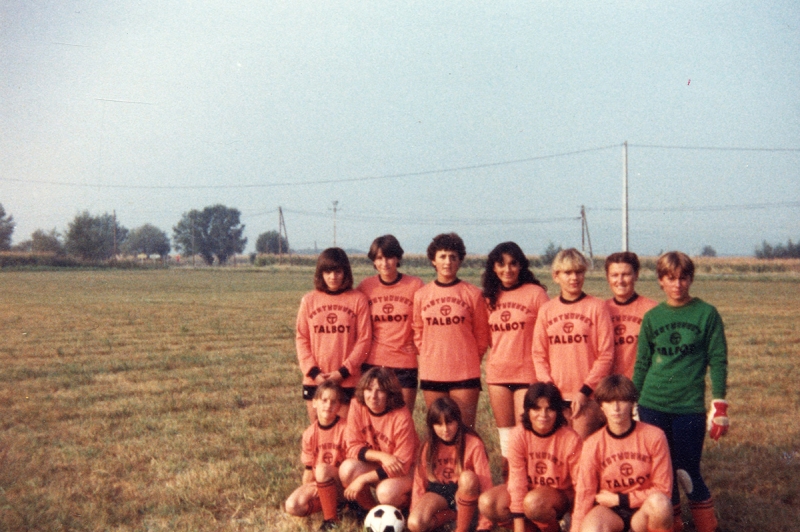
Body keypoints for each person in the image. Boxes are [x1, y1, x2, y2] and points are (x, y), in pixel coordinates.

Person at [633, 251, 729, 532]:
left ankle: (707, 526)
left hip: (688, 407)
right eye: (670, 278)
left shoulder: (706, 313)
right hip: (653, 404)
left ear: (691, 279)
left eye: (683, 278)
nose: (677, 284)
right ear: (661, 281)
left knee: (686, 471)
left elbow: (718, 360)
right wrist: (632, 400)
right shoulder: (653, 317)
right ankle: (672, 525)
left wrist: (720, 404)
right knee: (662, 474)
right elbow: (641, 364)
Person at [571, 374, 673, 532]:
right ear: (601, 405)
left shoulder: (654, 436)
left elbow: (664, 489)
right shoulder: (593, 443)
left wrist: (620, 499)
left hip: (642, 510)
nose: (616, 408)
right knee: (591, 529)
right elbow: (585, 493)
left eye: (622, 401)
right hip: (610, 512)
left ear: (632, 403)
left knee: (660, 504)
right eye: (609, 402)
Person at [532, 248, 614, 439]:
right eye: (567, 273)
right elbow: (538, 354)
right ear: (556, 276)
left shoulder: (597, 307)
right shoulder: (547, 310)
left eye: (579, 272)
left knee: (580, 451)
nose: (574, 278)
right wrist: (550, 391)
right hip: (556, 397)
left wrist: (584, 391)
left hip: (587, 396)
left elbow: (606, 354)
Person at [481, 242, 549, 475]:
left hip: (526, 376)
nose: (507, 270)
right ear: (493, 267)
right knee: (506, 443)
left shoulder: (536, 294)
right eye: (501, 264)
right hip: (498, 375)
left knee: (525, 439)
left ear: (521, 265)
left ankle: (530, 491)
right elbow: (488, 338)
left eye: (513, 264)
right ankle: (509, 497)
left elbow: (547, 334)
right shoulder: (490, 297)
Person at [479, 382, 582, 532]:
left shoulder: (570, 438)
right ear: (527, 410)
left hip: (558, 497)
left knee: (534, 503)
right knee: (488, 502)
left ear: (558, 411)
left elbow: (580, 484)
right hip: (528, 493)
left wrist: (576, 522)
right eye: (536, 409)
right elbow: (517, 482)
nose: (543, 415)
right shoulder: (518, 435)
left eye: (550, 409)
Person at [412, 232, 490, 429]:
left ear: (460, 261)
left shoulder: (472, 293)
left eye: (453, 257)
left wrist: (468, 358)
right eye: (443, 256)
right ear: (433, 260)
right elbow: (418, 332)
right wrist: (432, 354)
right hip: (433, 372)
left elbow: (482, 336)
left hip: (464, 373)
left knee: (464, 430)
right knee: (438, 430)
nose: (448, 262)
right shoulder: (422, 295)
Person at [296, 247, 372, 422]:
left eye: (338, 271)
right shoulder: (309, 300)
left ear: (345, 272)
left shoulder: (358, 299)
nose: (333, 277)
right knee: (320, 432)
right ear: (320, 273)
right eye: (328, 271)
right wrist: (314, 373)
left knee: (346, 434)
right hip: (315, 379)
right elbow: (302, 339)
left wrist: (343, 372)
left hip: (347, 380)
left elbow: (364, 340)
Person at [357, 235, 425, 411]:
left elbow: (425, 322)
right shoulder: (366, 286)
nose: (384, 263)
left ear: (398, 258)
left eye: (389, 257)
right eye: (379, 258)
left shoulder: (415, 285)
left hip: (404, 364)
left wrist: (418, 346)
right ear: (373, 260)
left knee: (402, 419)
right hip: (373, 362)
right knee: (373, 419)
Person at [339, 367, 420, 516]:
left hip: (408, 470)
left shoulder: (401, 415)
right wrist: (382, 456)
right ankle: (369, 511)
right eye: (369, 389)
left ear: (390, 393)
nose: (373, 396)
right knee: (347, 469)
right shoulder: (357, 405)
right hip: (384, 463)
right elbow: (351, 447)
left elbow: (402, 464)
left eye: (380, 391)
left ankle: (407, 510)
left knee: (386, 492)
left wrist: (363, 479)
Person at [408, 397, 494, 532]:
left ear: (458, 421)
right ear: (431, 425)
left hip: (464, 492)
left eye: (449, 422)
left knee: (468, 478)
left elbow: (486, 484)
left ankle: (462, 527)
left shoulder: (473, 443)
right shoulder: (428, 446)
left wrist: (485, 525)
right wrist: (415, 511)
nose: (445, 429)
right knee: (415, 524)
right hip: (439, 492)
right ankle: (452, 516)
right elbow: (419, 483)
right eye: (439, 424)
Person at [284, 381, 348, 531]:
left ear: (339, 406)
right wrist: (306, 493)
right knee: (292, 506)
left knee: (322, 470)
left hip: (342, 483)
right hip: (322, 482)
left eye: (334, 402)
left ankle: (331, 519)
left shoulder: (346, 428)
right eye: (324, 400)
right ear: (314, 402)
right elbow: (308, 471)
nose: (328, 405)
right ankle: (337, 506)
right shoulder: (309, 434)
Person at [604, 252, 657, 379]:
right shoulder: (601, 309)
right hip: (608, 387)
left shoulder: (652, 309)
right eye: (614, 275)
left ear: (636, 275)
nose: (620, 281)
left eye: (626, 274)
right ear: (607, 278)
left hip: (642, 384)